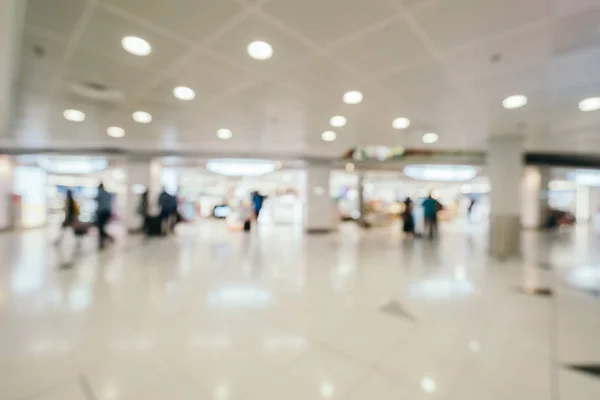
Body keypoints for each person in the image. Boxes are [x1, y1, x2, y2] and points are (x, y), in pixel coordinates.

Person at [96, 183, 114, 249]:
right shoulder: (108, 194)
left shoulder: (100, 194)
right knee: (101, 227)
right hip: (107, 212)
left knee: (100, 227)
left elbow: (96, 199)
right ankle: (108, 238)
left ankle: (104, 240)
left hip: (102, 213)